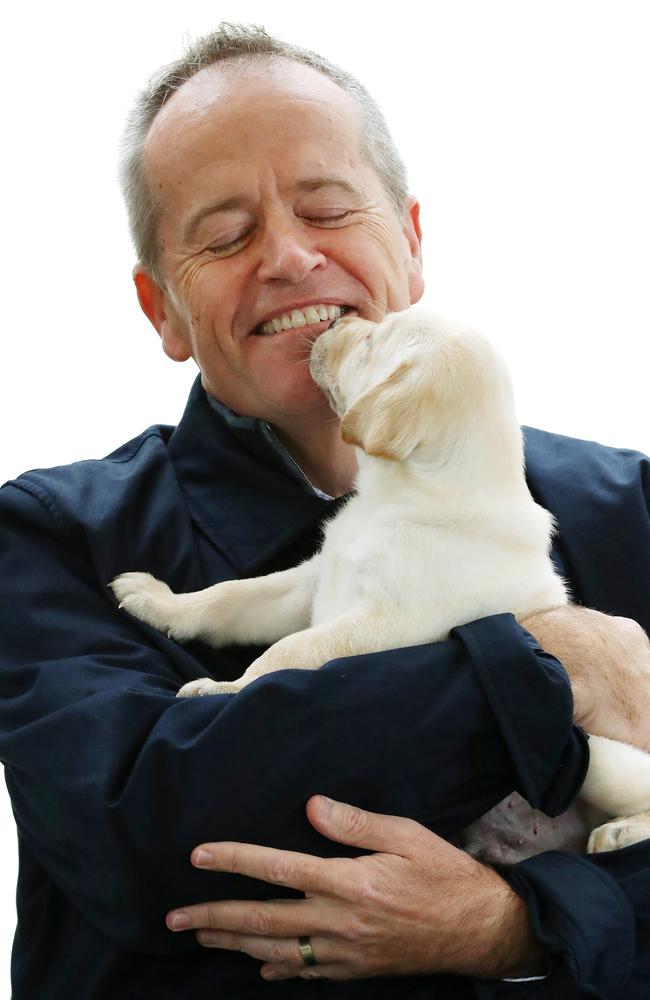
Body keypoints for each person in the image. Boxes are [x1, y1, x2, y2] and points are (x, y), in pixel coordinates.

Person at [1, 22, 649, 999]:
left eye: (328, 208)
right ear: (161, 311)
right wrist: (543, 660)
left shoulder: (624, 511)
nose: (290, 257)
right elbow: (152, 828)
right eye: (225, 235)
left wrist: (516, 924)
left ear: (412, 239)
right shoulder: (56, 538)